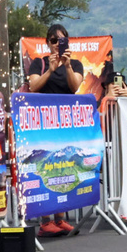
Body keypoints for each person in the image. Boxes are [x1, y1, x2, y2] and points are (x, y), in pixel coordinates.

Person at [27, 24, 83, 237]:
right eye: (53, 40)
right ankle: (45, 220)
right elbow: (33, 87)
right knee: (45, 169)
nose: (57, 44)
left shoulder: (75, 64)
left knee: (64, 168)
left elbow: (74, 87)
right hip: (42, 126)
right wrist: (50, 69)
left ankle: (60, 219)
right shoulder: (39, 63)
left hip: (66, 126)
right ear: (47, 43)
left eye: (62, 40)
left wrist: (66, 66)